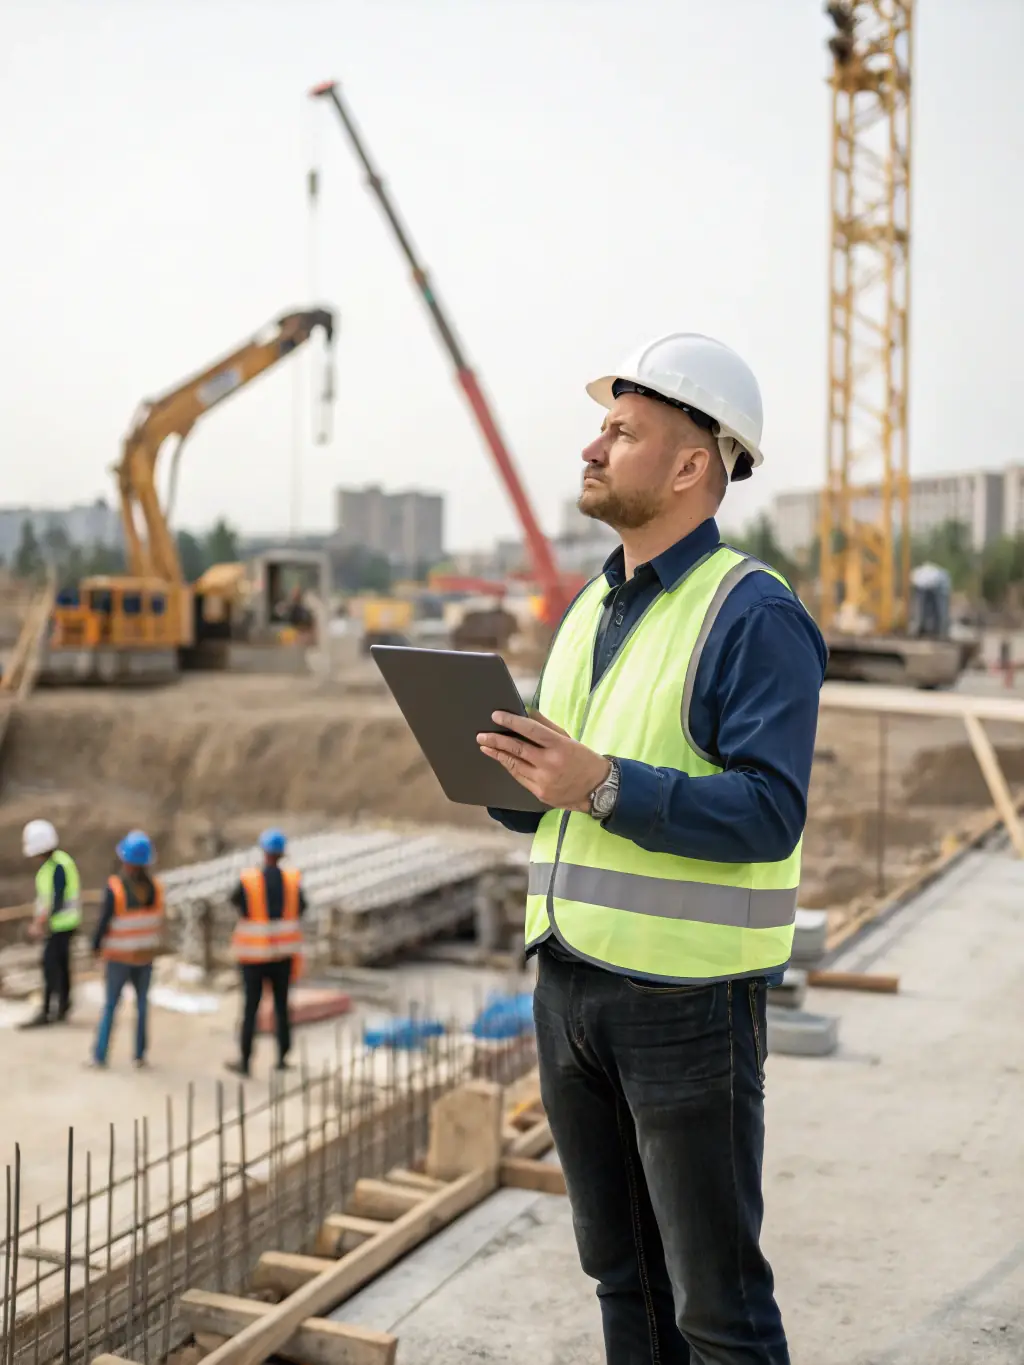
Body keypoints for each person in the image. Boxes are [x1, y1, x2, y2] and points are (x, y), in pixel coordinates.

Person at [478, 333, 828, 1364]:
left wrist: (600, 783)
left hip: (687, 1010)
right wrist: (513, 778)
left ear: (689, 467)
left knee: (717, 1311)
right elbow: (564, 797)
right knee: (623, 1281)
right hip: (569, 988)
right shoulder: (590, 605)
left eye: (622, 432)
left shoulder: (752, 614)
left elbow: (769, 810)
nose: (592, 448)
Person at [226, 828, 305, 1078]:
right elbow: (302, 908)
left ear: (264, 852)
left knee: (251, 1009)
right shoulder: (291, 881)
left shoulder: (249, 881)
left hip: (254, 957)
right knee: (281, 1007)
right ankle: (282, 1057)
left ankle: (245, 1060)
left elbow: (235, 903)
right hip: (283, 956)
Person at [91, 830, 165, 1069]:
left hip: (119, 957)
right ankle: (140, 1055)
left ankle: (100, 1056)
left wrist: (95, 946)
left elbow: (104, 922)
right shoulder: (155, 888)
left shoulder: (116, 888)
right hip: (144, 956)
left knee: (111, 1006)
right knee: (142, 1006)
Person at [18, 820, 81, 1029]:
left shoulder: (57, 866)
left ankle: (47, 1010)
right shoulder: (56, 864)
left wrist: (39, 924)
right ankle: (62, 1006)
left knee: (51, 966)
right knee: (61, 966)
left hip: (61, 924)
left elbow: (56, 899)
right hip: (62, 923)